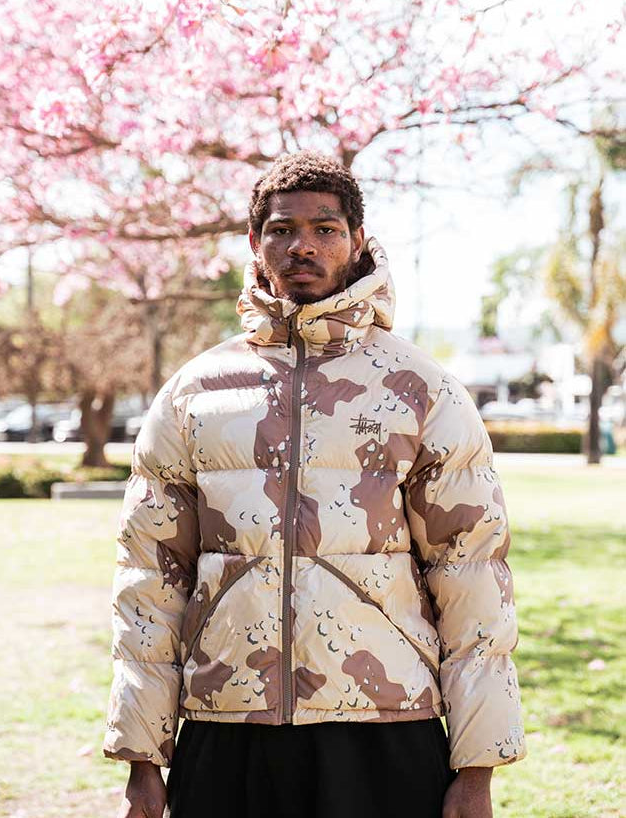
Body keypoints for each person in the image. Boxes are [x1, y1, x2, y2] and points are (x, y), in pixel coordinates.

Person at [104, 151, 526, 818]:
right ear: (255, 242)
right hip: (227, 726)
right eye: (282, 229)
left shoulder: (422, 389)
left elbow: (472, 576)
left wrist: (478, 768)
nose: (302, 245)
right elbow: (150, 580)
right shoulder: (194, 394)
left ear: (356, 241)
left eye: (325, 229)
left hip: (385, 728)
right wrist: (141, 759)